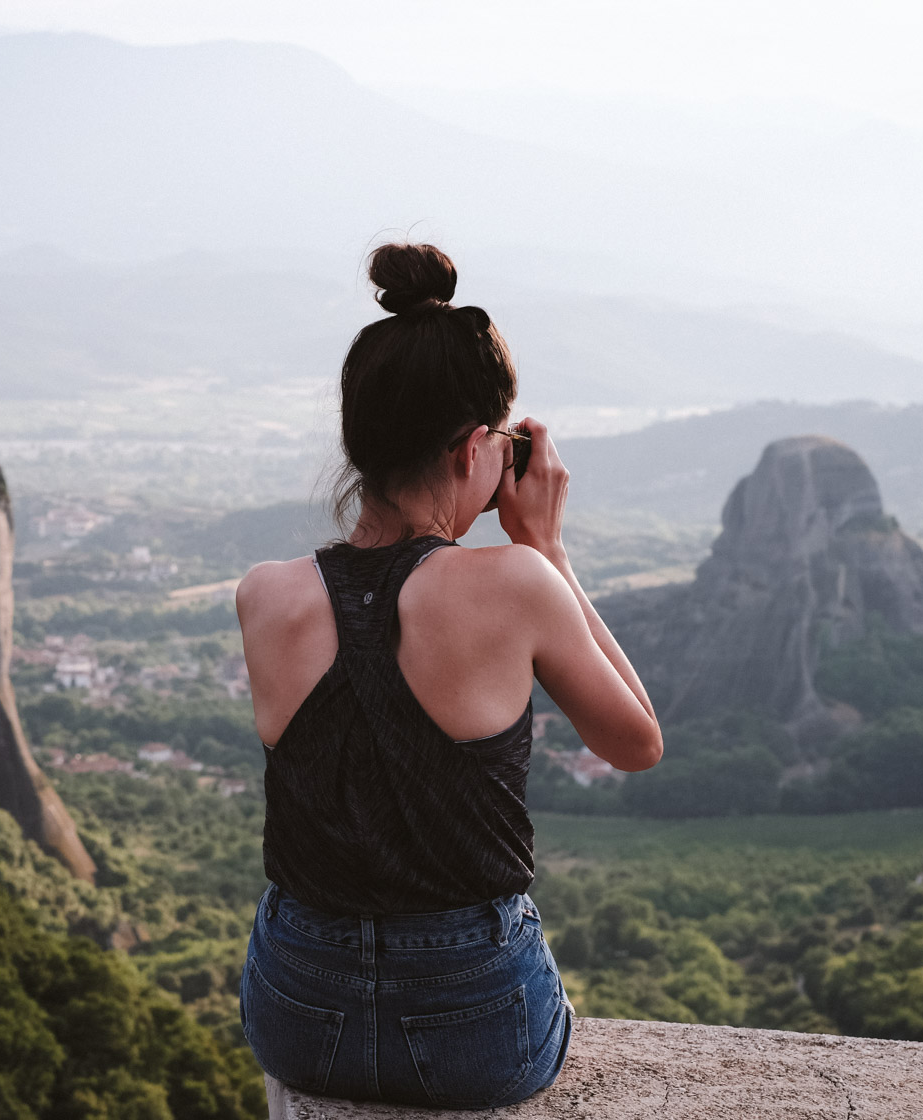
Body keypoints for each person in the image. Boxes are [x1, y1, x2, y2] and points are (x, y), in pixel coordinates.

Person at [234, 243, 663, 1112]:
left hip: (296, 1007)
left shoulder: (265, 595)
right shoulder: (513, 583)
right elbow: (636, 743)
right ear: (478, 448)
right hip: (470, 1016)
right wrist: (546, 547)